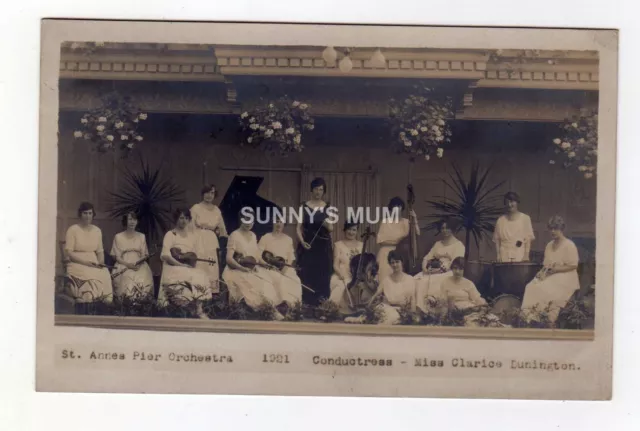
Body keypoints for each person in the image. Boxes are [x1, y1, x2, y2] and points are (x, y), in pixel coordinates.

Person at [521, 215, 580, 323]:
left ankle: (546, 318)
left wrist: (556, 270)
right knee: (530, 286)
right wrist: (540, 273)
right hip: (551, 274)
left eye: (555, 229)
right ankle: (530, 317)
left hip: (567, 276)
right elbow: (546, 265)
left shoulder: (569, 245)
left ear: (561, 229)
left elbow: (573, 265)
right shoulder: (549, 245)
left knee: (544, 288)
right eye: (551, 229)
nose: (553, 231)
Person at [224, 212, 283, 320]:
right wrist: (242, 268)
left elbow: (257, 257)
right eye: (245, 220)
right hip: (237, 269)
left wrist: (267, 265)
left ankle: (269, 309)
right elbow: (229, 259)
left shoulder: (253, 235)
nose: (248, 223)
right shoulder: (234, 235)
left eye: (250, 220)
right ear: (241, 220)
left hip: (251, 268)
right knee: (252, 283)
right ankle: (268, 311)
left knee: (268, 280)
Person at [158, 208, 212, 318]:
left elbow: (193, 255)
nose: (184, 221)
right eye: (181, 218)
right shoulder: (171, 234)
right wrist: (181, 264)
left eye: (186, 218)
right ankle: (184, 310)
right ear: (176, 219)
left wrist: (190, 263)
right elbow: (165, 255)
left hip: (186, 266)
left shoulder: (192, 236)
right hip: (172, 266)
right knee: (185, 274)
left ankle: (198, 309)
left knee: (200, 274)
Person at [63, 202, 113, 303]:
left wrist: (100, 263)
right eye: (85, 213)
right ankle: (88, 300)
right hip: (76, 262)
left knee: (104, 273)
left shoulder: (97, 231)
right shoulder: (73, 230)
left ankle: (103, 302)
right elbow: (69, 253)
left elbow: (100, 251)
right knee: (88, 274)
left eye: (90, 213)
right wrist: (85, 263)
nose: (88, 216)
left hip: (93, 262)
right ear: (80, 214)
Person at [296, 177, 333, 306]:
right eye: (316, 189)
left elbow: (331, 228)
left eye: (321, 189)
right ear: (311, 190)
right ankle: (307, 304)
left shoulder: (327, 207)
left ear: (324, 191)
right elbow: (298, 228)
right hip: (307, 245)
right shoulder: (304, 206)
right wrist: (302, 242)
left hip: (323, 246)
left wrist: (325, 223)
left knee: (322, 275)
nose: (318, 192)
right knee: (307, 274)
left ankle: (322, 305)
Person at [415, 218, 465, 311]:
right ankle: (418, 309)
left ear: (453, 229)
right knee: (417, 280)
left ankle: (430, 310)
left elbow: (455, 263)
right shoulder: (438, 244)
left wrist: (437, 271)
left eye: (447, 228)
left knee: (431, 281)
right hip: (433, 270)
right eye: (442, 228)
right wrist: (424, 268)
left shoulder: (458, 245)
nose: (445, 230)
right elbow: (427, 257)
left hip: (449, 272)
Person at [258, 219, 303, 312]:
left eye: (281, 222)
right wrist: (267, 264)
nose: (278, 224)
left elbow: (290, 259)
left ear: (284, 224)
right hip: (268, 267)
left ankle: (290, 306)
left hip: (284, 267)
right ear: (273, 223)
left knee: (294, 280)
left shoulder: (288, 239)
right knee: (276, 278)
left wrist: (285, 268)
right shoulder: (265, 237)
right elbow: (258, 255)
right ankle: (276, 306)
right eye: (276, 221)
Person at [190, 184, 228, 295]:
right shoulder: (196, 208)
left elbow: (222, 229)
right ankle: (198, 291)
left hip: (211, 239)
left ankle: (211, 293)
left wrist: (220, 235)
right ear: (203, 194)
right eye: (207, 193)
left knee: (211, 266)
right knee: (200, 264)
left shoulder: (216, 210)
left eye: (212, 193)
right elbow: (190, 227)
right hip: (198, 237)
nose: (209, 195)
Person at [110, 212, 154, 297]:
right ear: (125, 221)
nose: (132, 222)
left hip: (139, 264)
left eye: (134, 219)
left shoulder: (142, 236)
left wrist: (139, 263)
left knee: (142, 277)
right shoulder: (118, 237)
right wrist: (128, 265)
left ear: (137, 221)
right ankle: (127, 303)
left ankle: (141, 304)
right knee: (127, 277)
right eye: (130, 219)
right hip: (123, 263)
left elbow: (144, 254)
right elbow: (117, 257)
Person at [376, 197, 420, 282]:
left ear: (402, 208)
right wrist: (398, 241)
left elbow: (417, 234)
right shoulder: (385, 222)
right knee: (385, 277)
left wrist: (414, 219)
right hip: (386, 252)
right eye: (394, 207)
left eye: (399, 206)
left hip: (402, 253)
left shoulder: (407, 222)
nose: (397, 209)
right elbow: (381, 241)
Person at [328, 221, 363, 313]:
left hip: (356, 276)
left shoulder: (361, 245)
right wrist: (340, 274)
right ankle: (334, 311)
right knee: (341, 287)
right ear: (344, 230)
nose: (351, 232)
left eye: (354, 230)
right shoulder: (338, 245)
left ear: (357, 232)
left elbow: (364, 264)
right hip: (342, 275)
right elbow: (335, 264)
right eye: (349, 229)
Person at [493, 191, 535, 262]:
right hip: (504, 255)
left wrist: (526, 255)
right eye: (507, 202)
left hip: (519, 254)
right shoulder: (500, 220)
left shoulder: (525, 218)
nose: (510, 205)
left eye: (512, 202)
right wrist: (498, 255)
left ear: (517, 202)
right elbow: (497, 240)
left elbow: (528, 239)